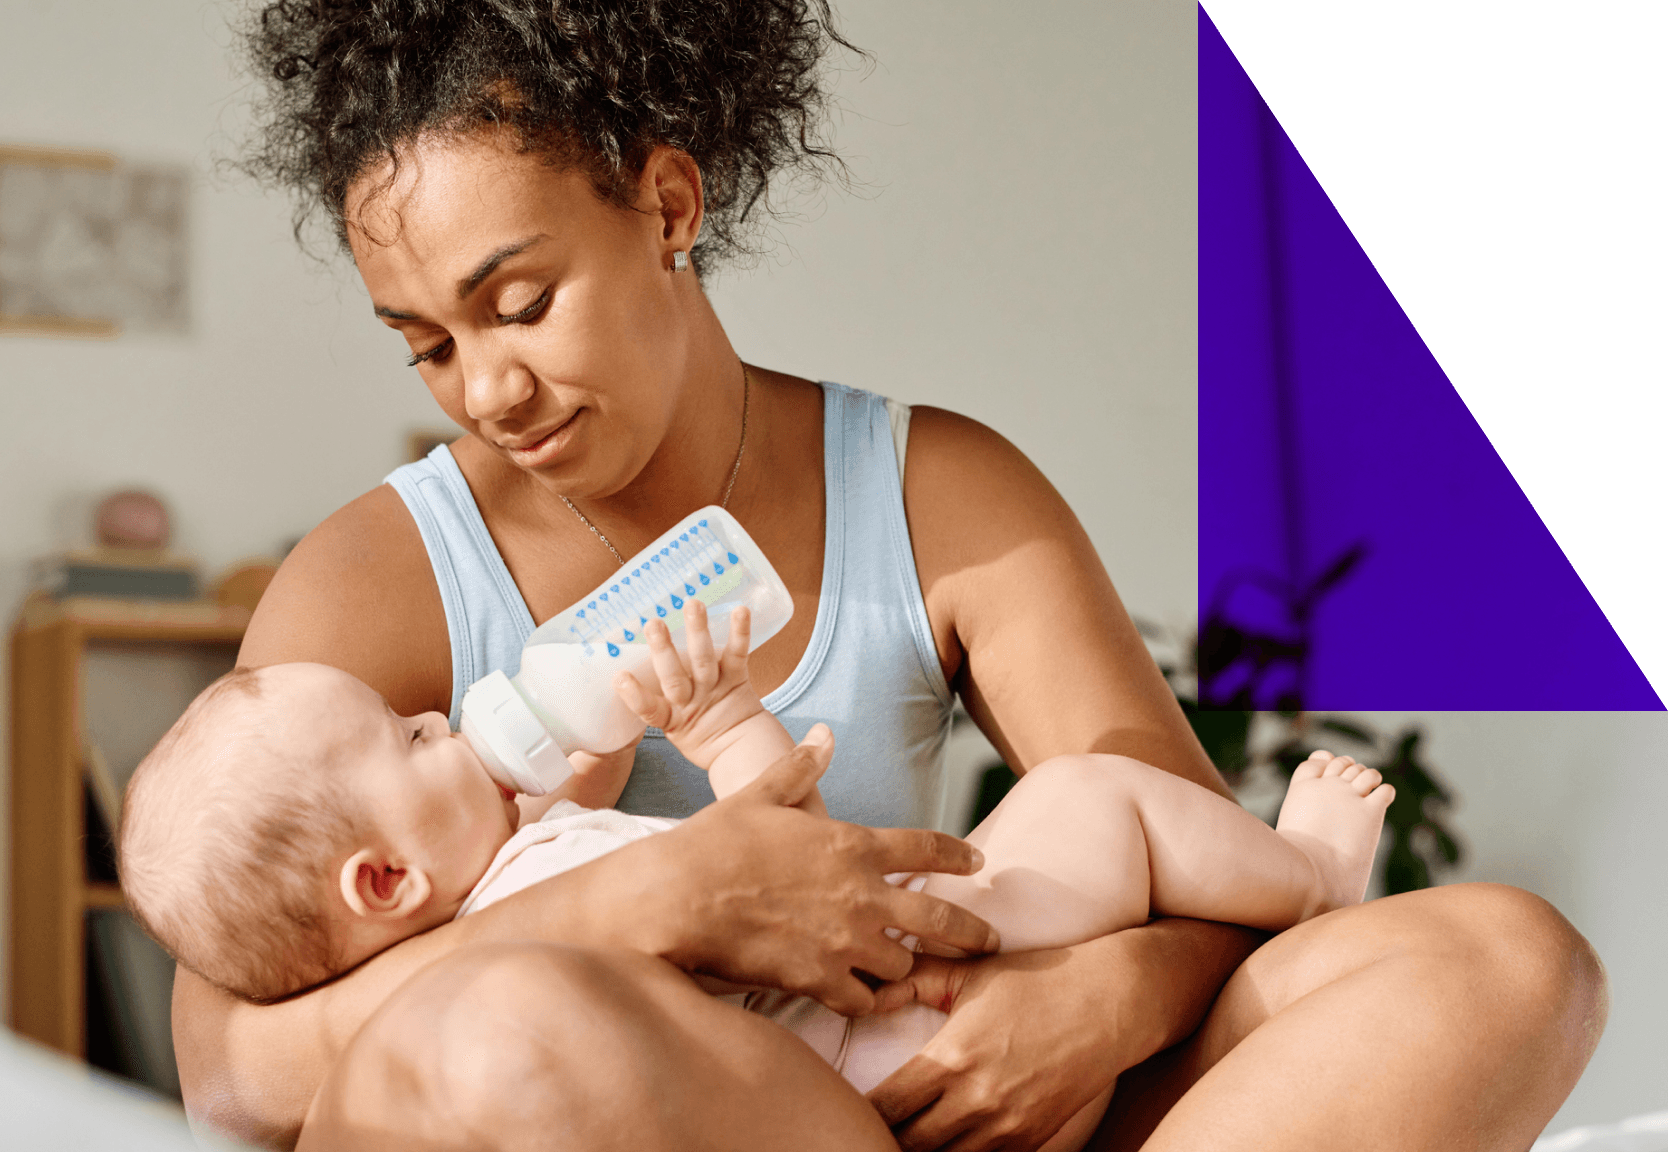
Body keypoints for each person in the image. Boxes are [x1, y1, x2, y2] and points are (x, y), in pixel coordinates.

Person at [178, 2, 1607, 1149]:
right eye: (425, 343)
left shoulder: (933, 491)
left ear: (668, 201)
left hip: (921, 1068)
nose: (484, 386)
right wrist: (641, 908)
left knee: (1505, 963)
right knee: (494, 1035)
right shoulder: (381, 576)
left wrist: (1096, 1000)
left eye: (519, 301)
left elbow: (1185, 872)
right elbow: (235, 1080)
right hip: (677, 1112)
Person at [132, 602, 1392, 1151]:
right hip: (913, 1012)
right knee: (1079, 797)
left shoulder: (510, 894)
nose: (435, 714)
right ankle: (1307, 872)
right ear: (387, 881)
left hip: (903, 1071)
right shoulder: (522, 925)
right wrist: (734, 729)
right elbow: (796, 857)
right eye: (408, 738)